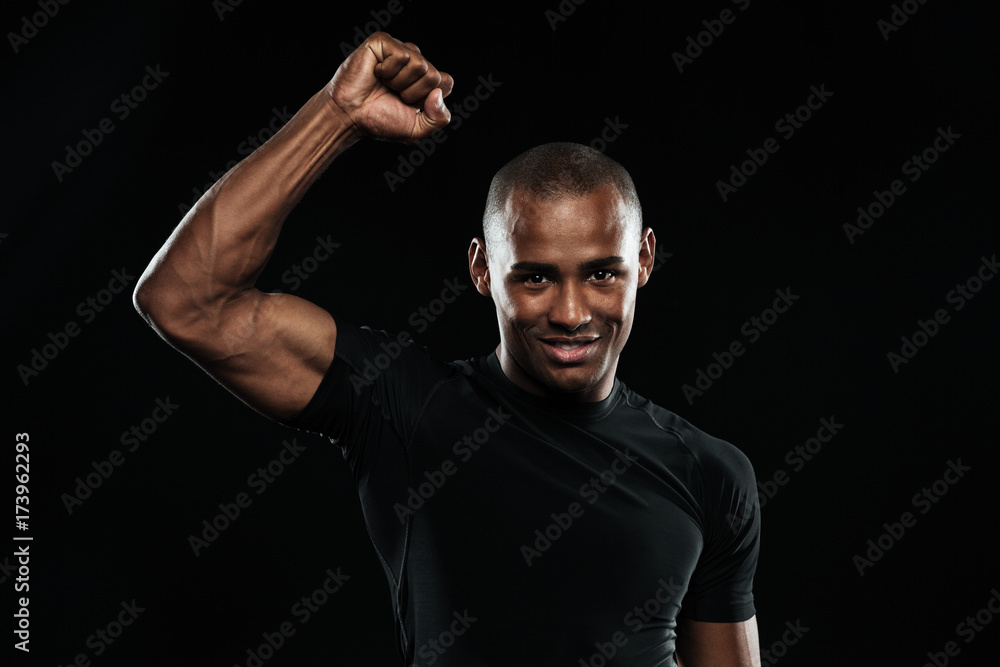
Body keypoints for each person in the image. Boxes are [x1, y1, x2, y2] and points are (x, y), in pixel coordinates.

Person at [134, 31, 761, 667]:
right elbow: (187, 302)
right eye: (535, 276)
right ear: (482, 269)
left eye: (602, 273)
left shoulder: (711, 473)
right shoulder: (405, 406)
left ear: (645, 260)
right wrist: (337, 116)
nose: (572, 314)